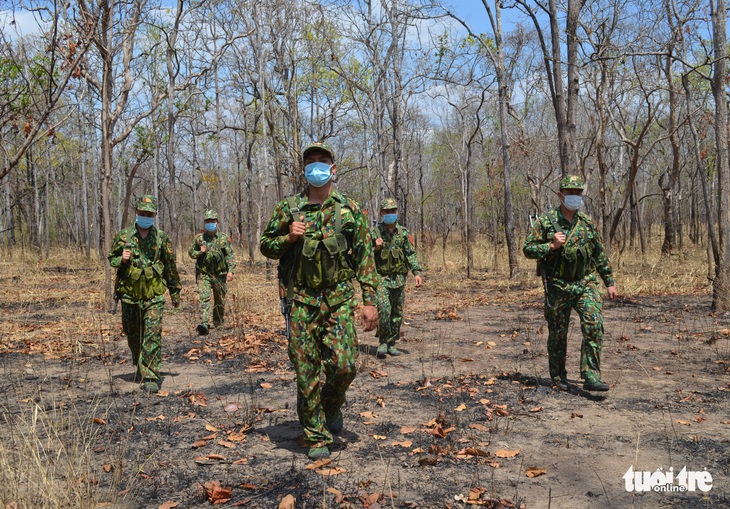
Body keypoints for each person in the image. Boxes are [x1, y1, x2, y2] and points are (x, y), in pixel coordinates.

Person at [260, 141, 380, 460]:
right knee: (306, 369)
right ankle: (315, 434)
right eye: (310, 161)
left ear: (333, 168)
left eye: (322, 161)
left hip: (339, 300)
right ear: (304, 170)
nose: (316, 166)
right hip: (300, 301)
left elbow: (366, 258)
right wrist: (289, 237)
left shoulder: (351, 210)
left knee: (344, 366)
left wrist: (369, 301)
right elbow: (266, 247)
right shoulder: (289, 209)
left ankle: (331, 406)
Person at [523, 175, 618, 392]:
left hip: (586, 283)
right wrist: (552, 246)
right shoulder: (546, 222)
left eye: (578, 193)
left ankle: (591, 375)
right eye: (570, 193)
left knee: (594, 325)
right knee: (558, 333)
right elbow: (528, 249)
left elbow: (599, 254)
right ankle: (558, 377)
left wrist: (609, 282)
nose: (575, 197)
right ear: (560, 195)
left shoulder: (587, 223)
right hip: (558, 285)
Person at [108, 195, 181, 393]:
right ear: (136, 213)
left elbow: (170, 266)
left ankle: (151, 375)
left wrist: (175, 292)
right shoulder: (124, 236)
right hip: (130, 295)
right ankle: (140, 364)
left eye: (149, 214)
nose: (145, 216)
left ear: (155, 215)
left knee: (152, 334)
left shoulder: (161, 238)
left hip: (154, 295)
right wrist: (121, 259)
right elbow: (111, 259)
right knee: (133, 335)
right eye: (142, 213)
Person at [372, 198, 423, 358]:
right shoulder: (376, 232)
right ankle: (383, 342)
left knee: (397, 313)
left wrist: (416, 272)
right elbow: (364, 253)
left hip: (399, 278)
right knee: (384, 310)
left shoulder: (403, 233)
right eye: (387, 211)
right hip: (382, 278)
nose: (390, 214)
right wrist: (375, 247)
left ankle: (392, 343)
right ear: (381, 213)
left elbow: (410, 253)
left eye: (393, 211)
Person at [189, 209, 236, 335]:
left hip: (220, 275)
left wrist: (231, 271)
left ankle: (218, 323)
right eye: (207, 221)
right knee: (204, 298)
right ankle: (204, 324)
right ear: (204, 223)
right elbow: (191, 253)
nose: (210, 223)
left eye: (212, 221)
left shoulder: (224, 238)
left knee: (219, 299)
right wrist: (200, 252)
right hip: (204, 274)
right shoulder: (199, 238)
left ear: (217, 223)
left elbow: (230, 255)